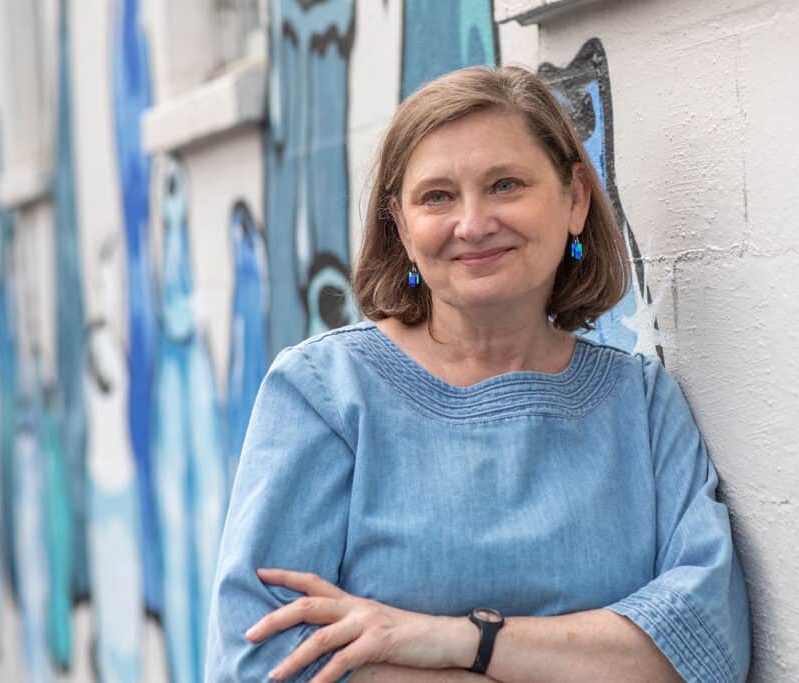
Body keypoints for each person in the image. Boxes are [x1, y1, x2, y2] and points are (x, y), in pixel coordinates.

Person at [205, 65, 751, 683]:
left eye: (505, 185)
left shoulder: (641, 405)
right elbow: (259, 660)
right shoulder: (325, 393)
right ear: (401, 226)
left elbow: (706, 646)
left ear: (574, 199)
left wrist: (452, 640)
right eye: (437, 196)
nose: (473, 223)